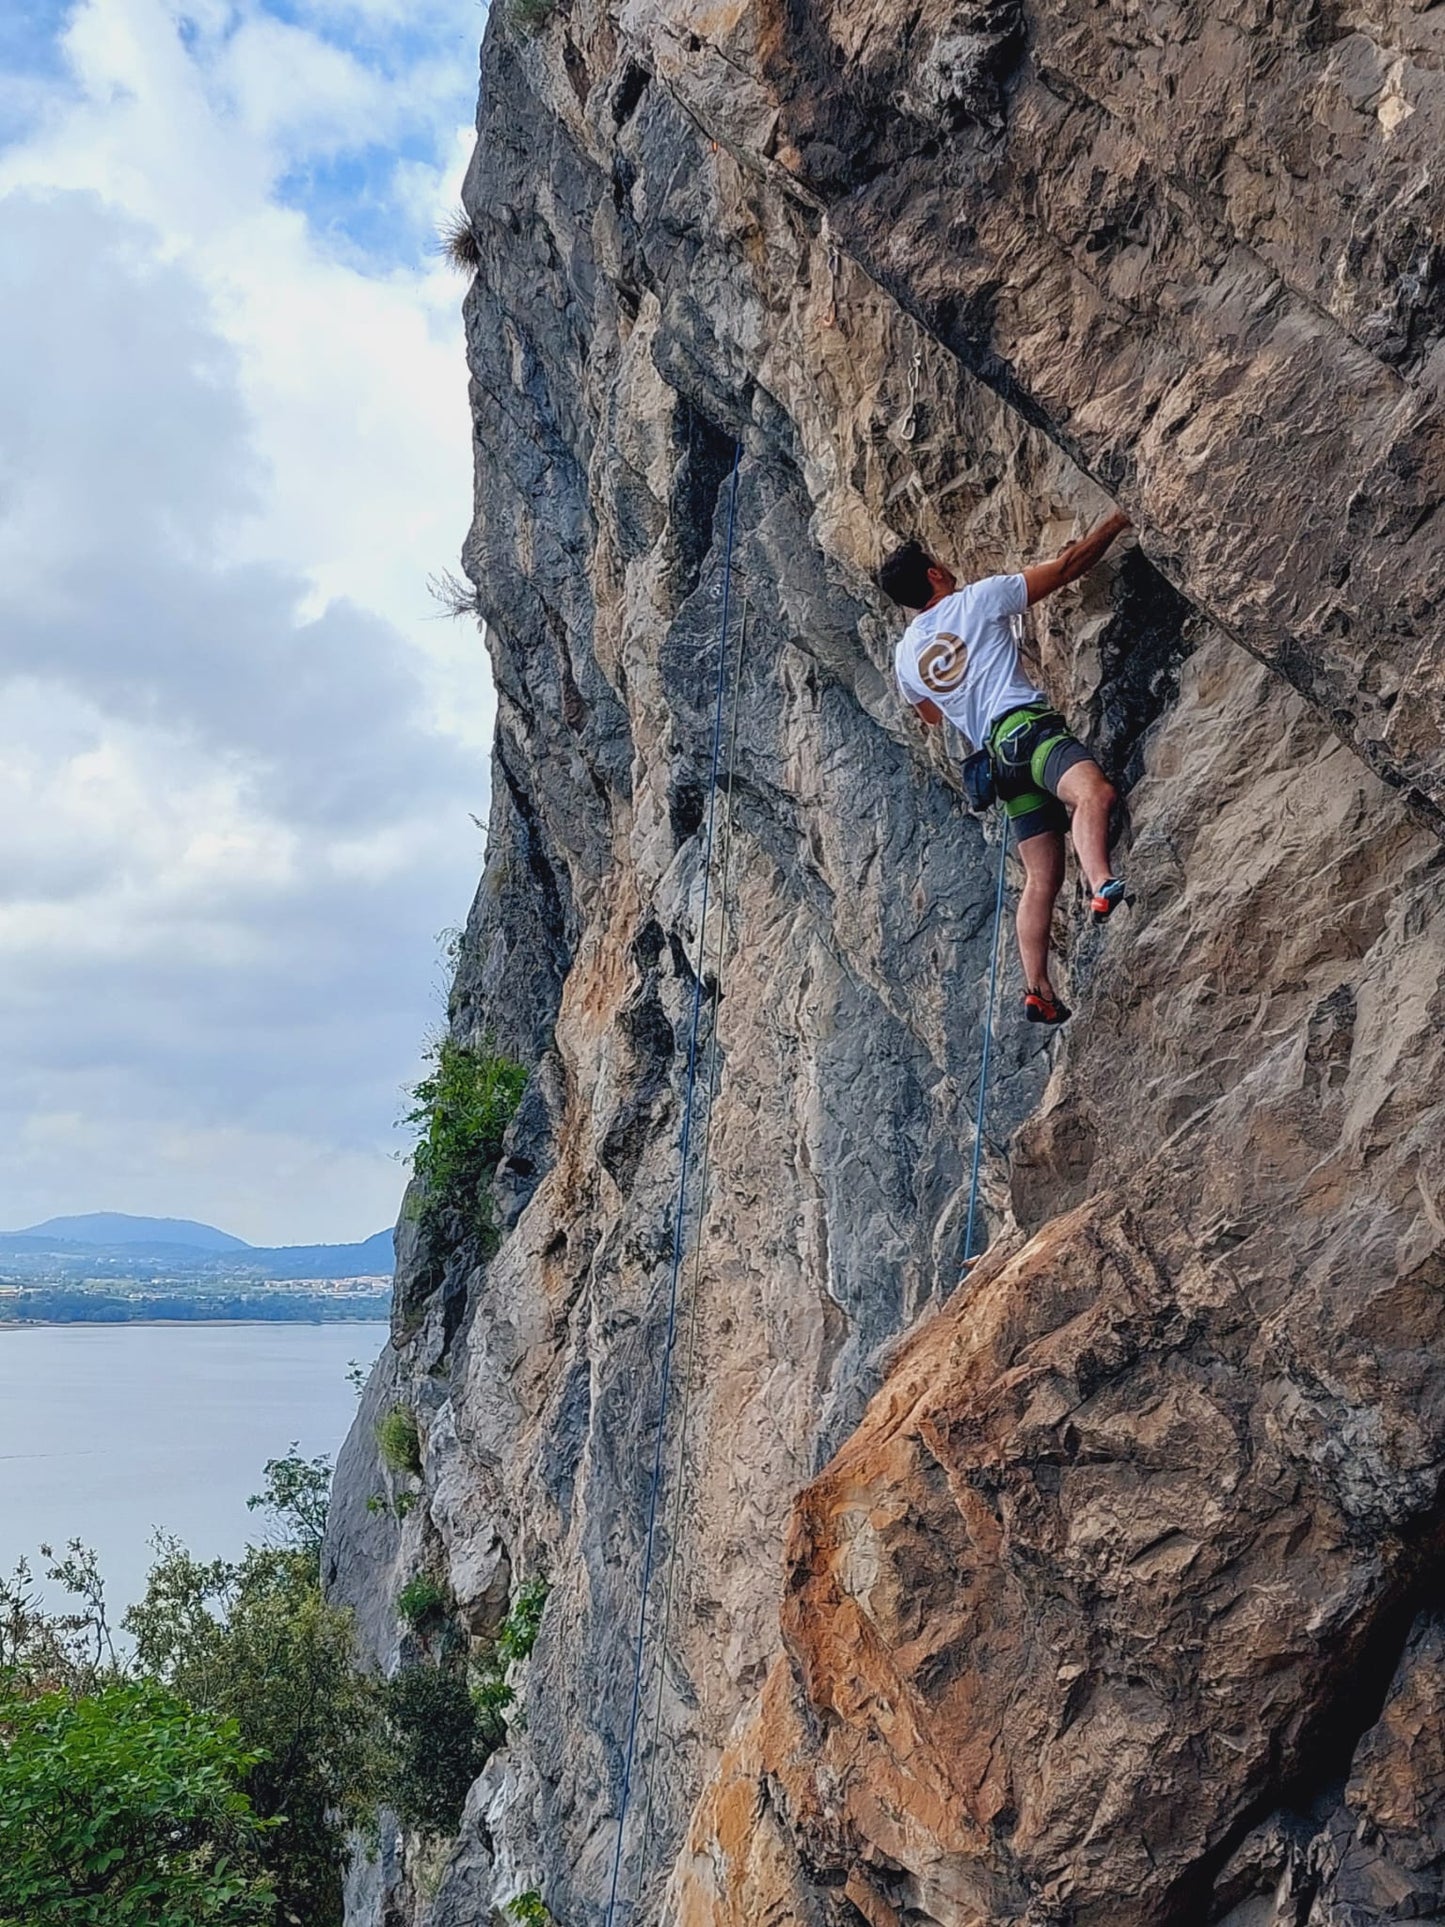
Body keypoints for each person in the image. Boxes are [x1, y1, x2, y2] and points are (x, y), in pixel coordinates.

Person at [879, 513, 1132, 1026]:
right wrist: (1122, 518)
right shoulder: (978, 599)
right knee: (1092, 794)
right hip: (1028, 731)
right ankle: (1102, 880)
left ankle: (1037, 986)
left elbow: (928, 714)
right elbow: (1067, 567)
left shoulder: (907, 656)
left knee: (1040, 876)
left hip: (998, 762)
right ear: (934, 574)